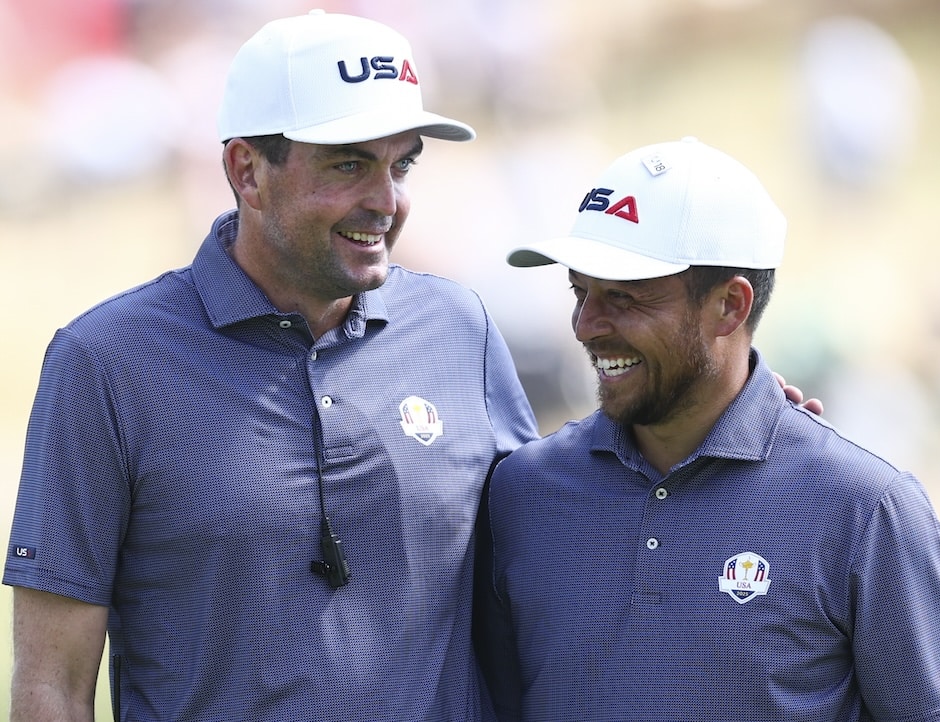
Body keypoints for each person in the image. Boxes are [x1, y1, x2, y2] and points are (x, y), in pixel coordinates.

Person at [2, 11, 540, 721]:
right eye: (349, 163)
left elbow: (540, 595)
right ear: (247, 171)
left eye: (401, 163)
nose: (386, 201)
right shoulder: (105, 363)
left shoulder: (458, 330)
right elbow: (53, 685)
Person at [475, 137, 940, 721]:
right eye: (580, 292)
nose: (586, 326)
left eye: (625, 298)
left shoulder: (868, 511)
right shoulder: (522, 493)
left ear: (729, 307)